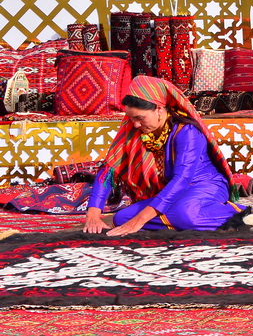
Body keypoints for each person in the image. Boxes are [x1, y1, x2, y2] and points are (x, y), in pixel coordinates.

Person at [81, 76, 242, 235]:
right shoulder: (135, 130)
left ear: (158, 109)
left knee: (184, 215)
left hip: (205, 186)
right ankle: (178, 220)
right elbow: (109, 170)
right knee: (122, 218)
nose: (135, 124)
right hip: (171, 193)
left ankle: (241, 213)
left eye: (140, 118)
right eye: (131, 118)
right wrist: (93, 214)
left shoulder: (187, 132)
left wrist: (142, 219)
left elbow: (182, 179)